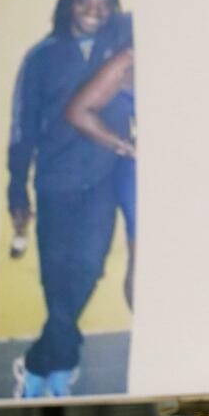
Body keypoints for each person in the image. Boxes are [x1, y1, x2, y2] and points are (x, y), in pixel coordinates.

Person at [7, 0, 133, 398]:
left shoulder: (123, 42)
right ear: (70, 2)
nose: (94, 11)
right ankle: (54, 363)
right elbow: (21, 129)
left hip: (101, 178)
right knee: (56, 276)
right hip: (54, 182)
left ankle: (44, 361)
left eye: (103, 3)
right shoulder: (41, 57)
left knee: (89, 267)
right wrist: (15, 188)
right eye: (85, 2)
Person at [65, 48, 137, 308]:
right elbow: (78, 111)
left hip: (188, 169)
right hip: (142, 174)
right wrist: (122, 144)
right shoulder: (130, 58)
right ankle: (153, 337)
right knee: (144, 257)